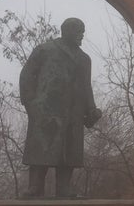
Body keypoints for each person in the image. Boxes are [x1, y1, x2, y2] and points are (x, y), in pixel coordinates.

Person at [19, 17, 102, 198]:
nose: (82, 36)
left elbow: (86, 86)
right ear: (67, 31)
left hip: (74, 112)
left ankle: (65, 189)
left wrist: (91, 109)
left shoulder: (84, 59)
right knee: (41, 150)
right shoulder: (45, 49)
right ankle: (34, 188)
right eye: (78, 32)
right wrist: (31, 103)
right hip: (46, 110)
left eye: (83, 32)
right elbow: (27, 76)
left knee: (69, 152)